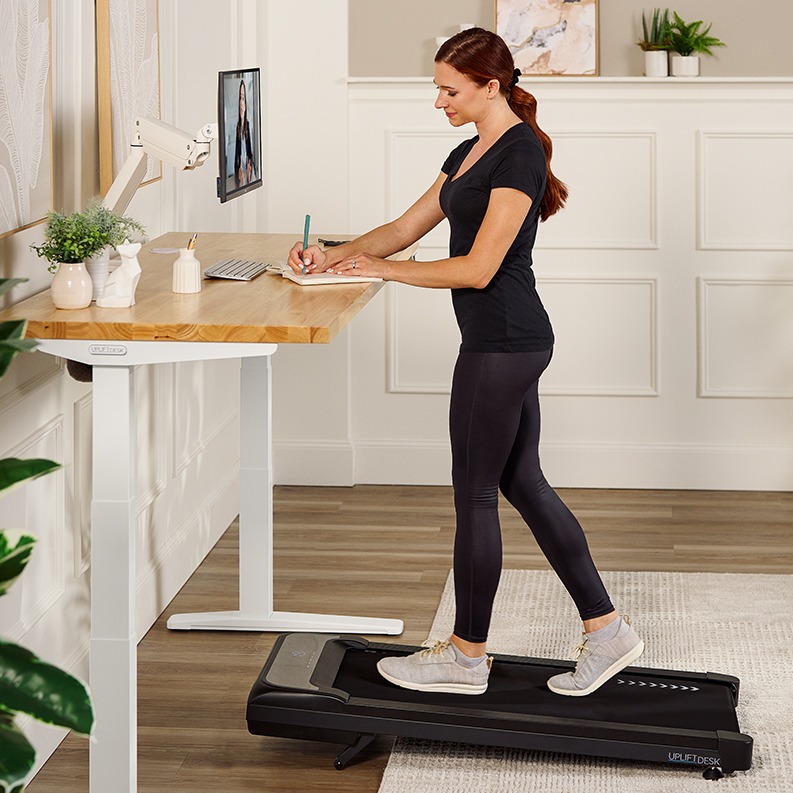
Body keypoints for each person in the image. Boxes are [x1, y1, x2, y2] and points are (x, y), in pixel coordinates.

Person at [288, 27, 643, 697]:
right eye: (436, 89)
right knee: (523, 484)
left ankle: (464, 655)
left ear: (489, 86)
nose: (438, 102)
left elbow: (479, 269)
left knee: (476, 491)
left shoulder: (515, 157)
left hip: (502, 344)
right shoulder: (469, 149)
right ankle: (607, 630)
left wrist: (384, 272)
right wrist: (334, 255)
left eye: (449, 90)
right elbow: (402, 228)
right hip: (510, 342)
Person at [234, 79, 255, 187]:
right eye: (240, 98)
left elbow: (249, 149)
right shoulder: (237, 126)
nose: (241, 103)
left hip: (247, 166)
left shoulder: (248, 125)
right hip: (239, 166)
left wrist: (249, 163)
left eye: (243, 98)